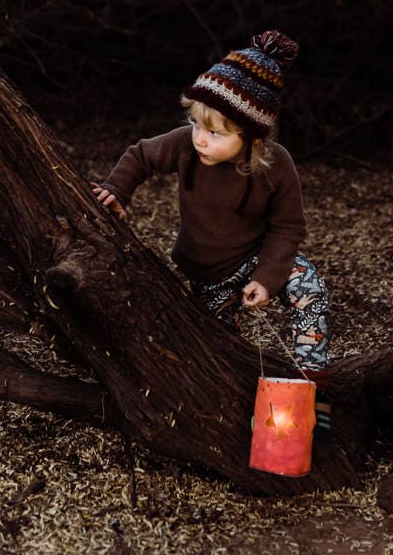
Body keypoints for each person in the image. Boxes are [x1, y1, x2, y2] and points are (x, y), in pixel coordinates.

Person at [92, 30, 330, 372]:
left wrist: (266, 277)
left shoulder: (276, 165)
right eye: (195, 124)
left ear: (250, 135)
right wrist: (116, 189)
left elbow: (288, 227)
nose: (201, 139)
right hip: (208, 272)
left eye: (215, 132)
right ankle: (240, 386)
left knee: (308, 286)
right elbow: (140, 155)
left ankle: (314, 376)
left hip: (255, 256)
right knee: (218, 345)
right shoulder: (185, 145)